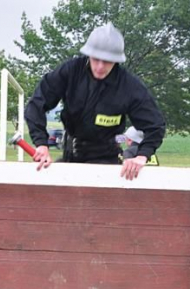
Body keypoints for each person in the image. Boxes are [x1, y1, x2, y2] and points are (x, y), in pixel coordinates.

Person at [24, 22, 166, 180]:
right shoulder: (70, 71)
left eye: (107, 61)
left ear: (117, 60)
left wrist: (142, 156)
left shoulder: (130, 87)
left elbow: (155, 126)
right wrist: (42, 145)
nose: (100, 66)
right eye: (96, 59)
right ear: (88, 54)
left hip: (106, 159)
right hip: (70, 153)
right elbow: (36, 105)